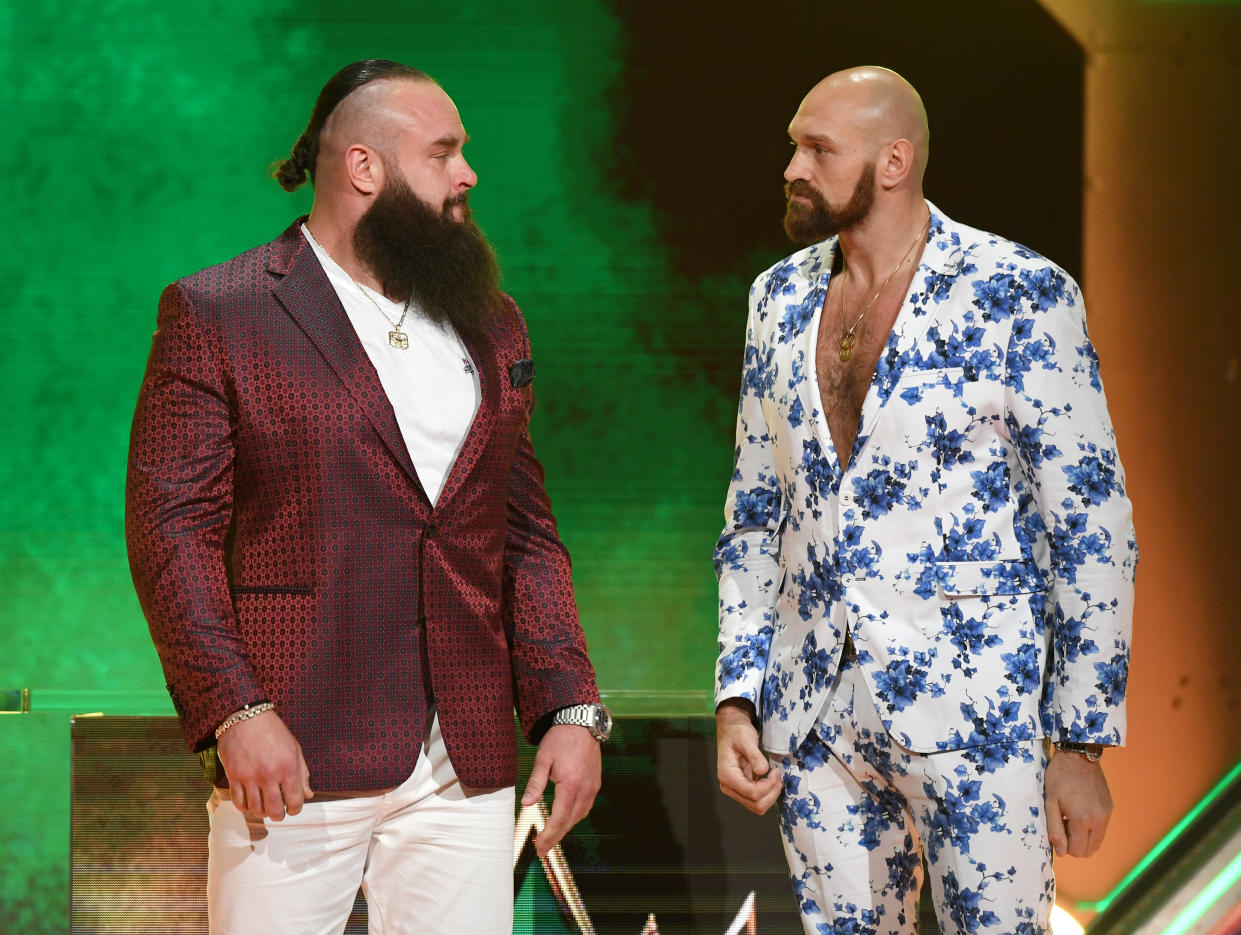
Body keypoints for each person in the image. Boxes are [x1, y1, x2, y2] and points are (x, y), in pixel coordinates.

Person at [125, 59, 610, 935]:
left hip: (462, 755)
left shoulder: (490, 319)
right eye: (444, 152)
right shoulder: (220, 311)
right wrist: (233, 708)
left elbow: (525, 532)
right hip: (291, 752)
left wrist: (570, 705)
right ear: (363, 168)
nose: (468, 174)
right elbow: (171, 535)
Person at [714, 66, 1135, 934]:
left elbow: (1090, 523)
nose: (791, 166)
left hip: (976, 712)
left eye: (817, 148)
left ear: (893, 160)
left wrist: (1080, 742)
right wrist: (737, 695)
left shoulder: (1017, 291)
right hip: (816, 720)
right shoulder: (777, 298)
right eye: (794, 144)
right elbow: (754, 515)